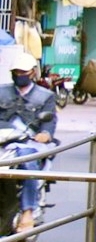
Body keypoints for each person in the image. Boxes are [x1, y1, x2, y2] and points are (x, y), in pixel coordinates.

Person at [0, 51, 57, 232]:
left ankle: (27, 211)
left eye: (23, 72)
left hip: (29, 142)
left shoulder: (45, 96)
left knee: (28, 158)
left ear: (32, 72)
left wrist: (45, 134)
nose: (20, 75)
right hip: (5, 140)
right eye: (16, 72)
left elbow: (49, 123)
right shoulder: (2, 92)